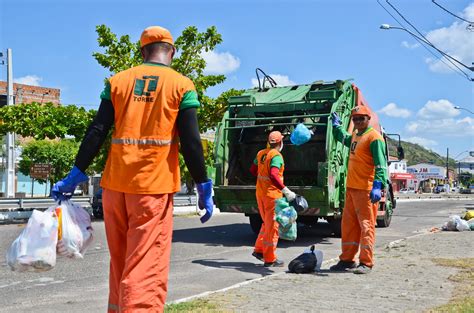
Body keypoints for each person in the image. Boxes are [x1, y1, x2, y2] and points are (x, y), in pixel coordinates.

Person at [51, 26, 214, 312]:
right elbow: (191, 142)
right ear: (172, 51)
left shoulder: (117, 81)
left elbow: (97, 130)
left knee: (122, 261)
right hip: (152, 190)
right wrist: (202, 185)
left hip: (114, 188)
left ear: (142, 52)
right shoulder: (182, 85)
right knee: (145, 267)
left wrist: (76, 174)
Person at [329, 106, 387, 274]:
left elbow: (381, 165)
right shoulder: (356, 134)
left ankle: (366, 262)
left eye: (361, 118)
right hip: (352, 189)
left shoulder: (374, 138)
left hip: (366, 190)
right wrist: (337, 127)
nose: (358, 121)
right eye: (355, 119)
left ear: (368, 119)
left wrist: (377, 186)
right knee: (349, 226)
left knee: (366, 226)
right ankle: (347, 260)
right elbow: (346, 139)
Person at [249, 131, 296, 267]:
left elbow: (252, 170)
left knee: (266, 223)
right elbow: (274, 175)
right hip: (272, 197)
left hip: (261, 194)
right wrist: (286, 190)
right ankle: (270, 259)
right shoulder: (277, 156)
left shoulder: (261, 153)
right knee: (273, 227)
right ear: (280, 142)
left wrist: (262, 178)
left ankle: (259, 250)